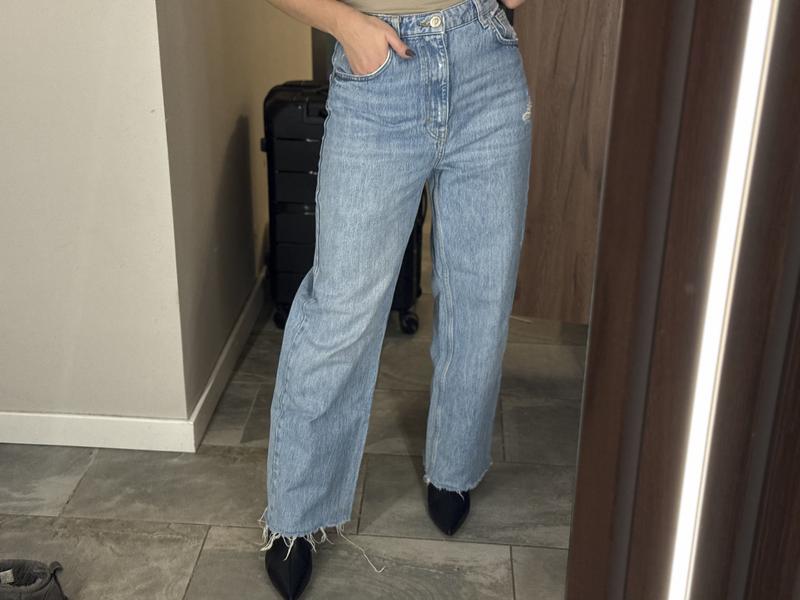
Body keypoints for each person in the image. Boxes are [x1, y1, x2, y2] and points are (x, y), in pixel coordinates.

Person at [259, 0, 531, 596]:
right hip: (378, 74)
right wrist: (344, 25)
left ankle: (455, 468)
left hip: (484, 61)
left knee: (482, 298)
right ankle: (296, 514)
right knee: (341, 310)